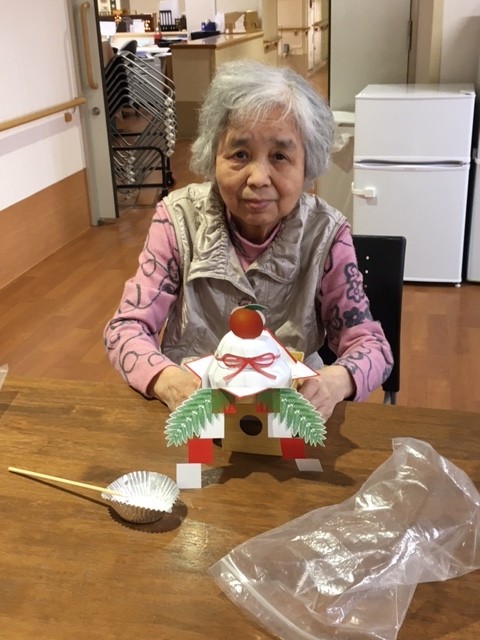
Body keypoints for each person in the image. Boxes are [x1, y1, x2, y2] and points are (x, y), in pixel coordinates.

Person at [104, 59, 393, 421]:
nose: (258, 178)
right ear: (213, 156)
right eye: (240, 154)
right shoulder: (177, 220)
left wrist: (335, 382)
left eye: (280, 156)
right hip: (194, 415)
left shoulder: (326, 234)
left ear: (308, 164)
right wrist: (167, 380)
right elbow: (126, 328)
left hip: (289, 418)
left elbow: (371, 345)